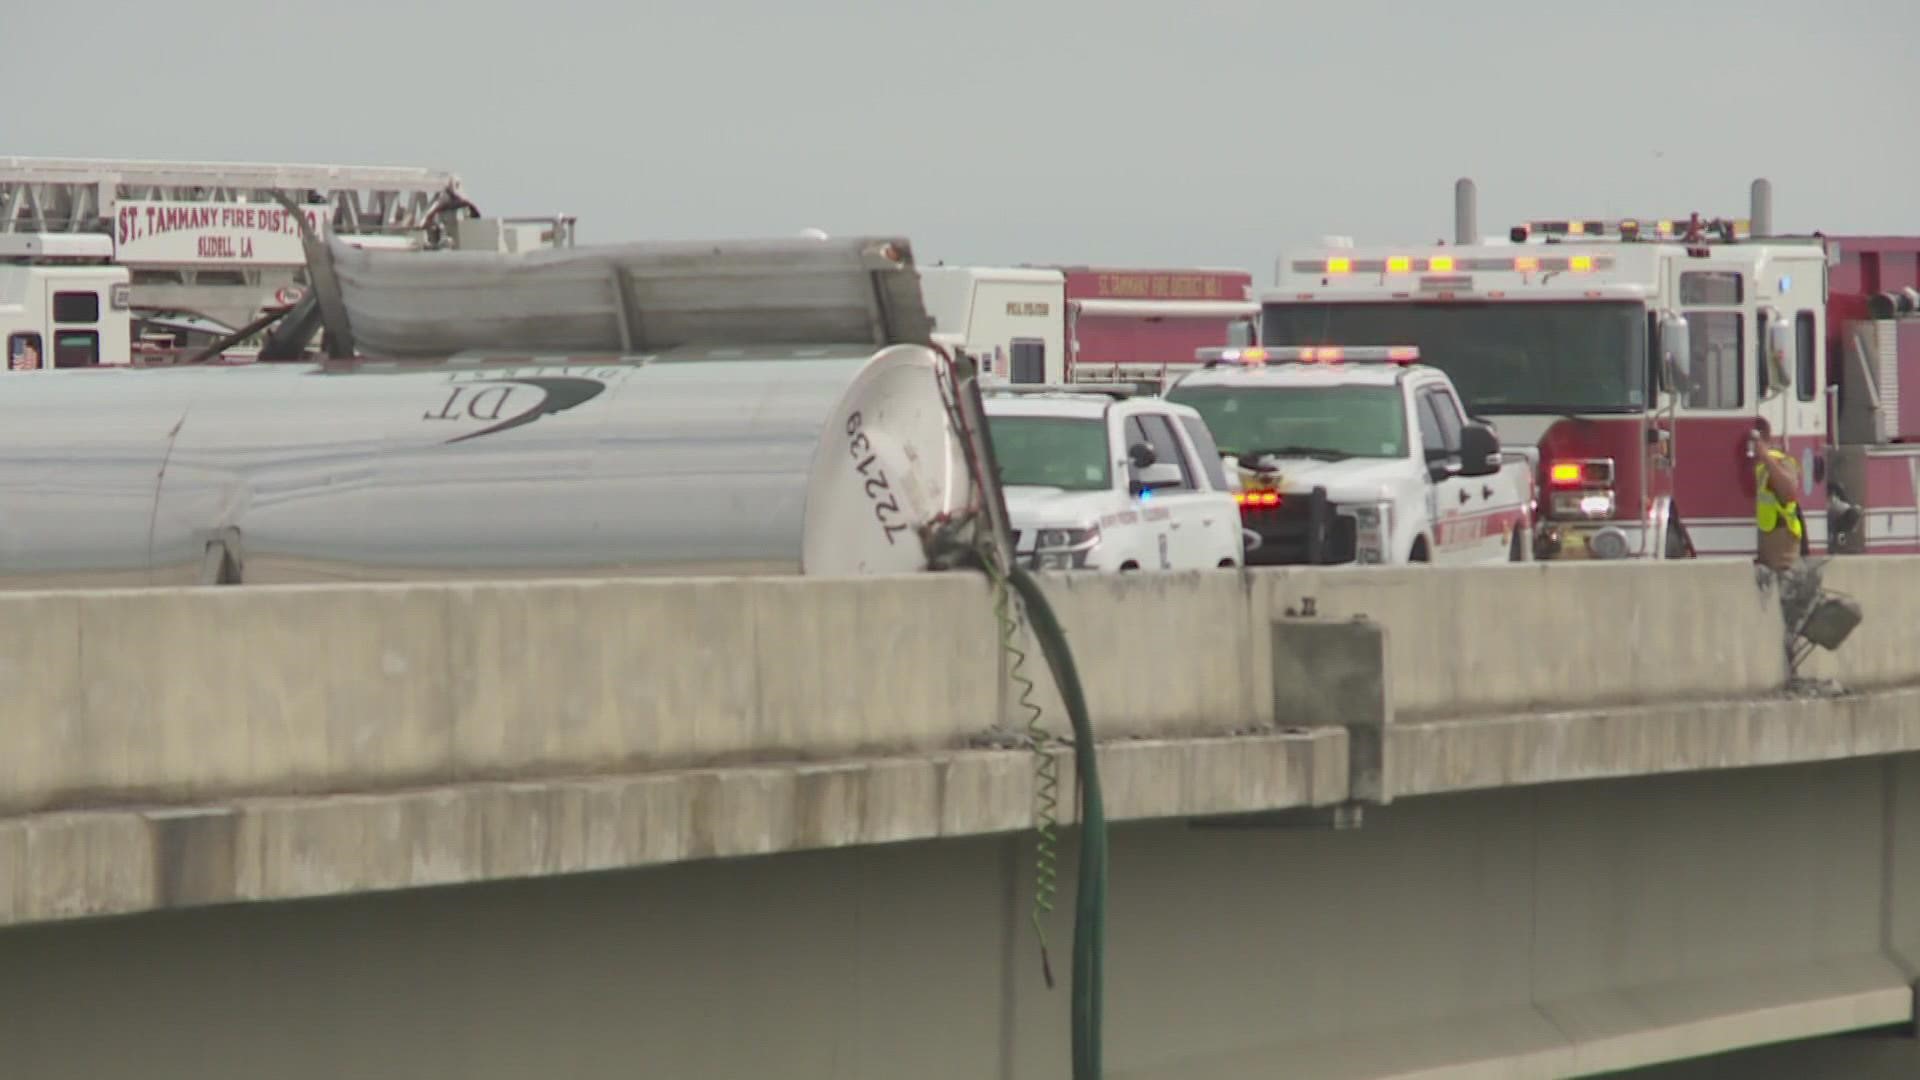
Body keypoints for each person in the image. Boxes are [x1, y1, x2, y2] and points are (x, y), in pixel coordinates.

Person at [1751, 417, 1803, 573]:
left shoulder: (1778, 462)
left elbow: (1789, 491)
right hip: (1766, 551)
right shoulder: (1754, 467)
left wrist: (1765, 456)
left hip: (1782, 551)